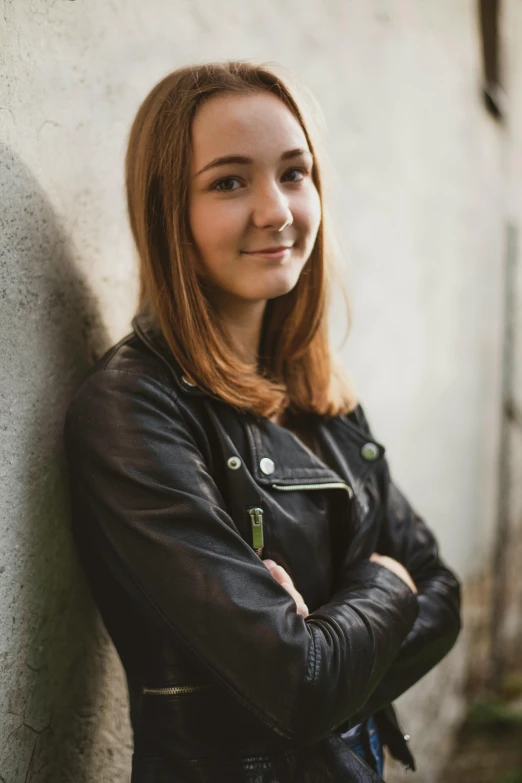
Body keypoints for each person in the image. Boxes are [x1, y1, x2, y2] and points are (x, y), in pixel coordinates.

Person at [63, 61, 461, 783]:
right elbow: (299, 681)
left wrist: (330, 635)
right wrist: (386, 584)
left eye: (294, 172)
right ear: (166, 211)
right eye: (228, 181)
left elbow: (445, 592)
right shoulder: (133, 409)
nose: (276, 209)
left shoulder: (317, 392)